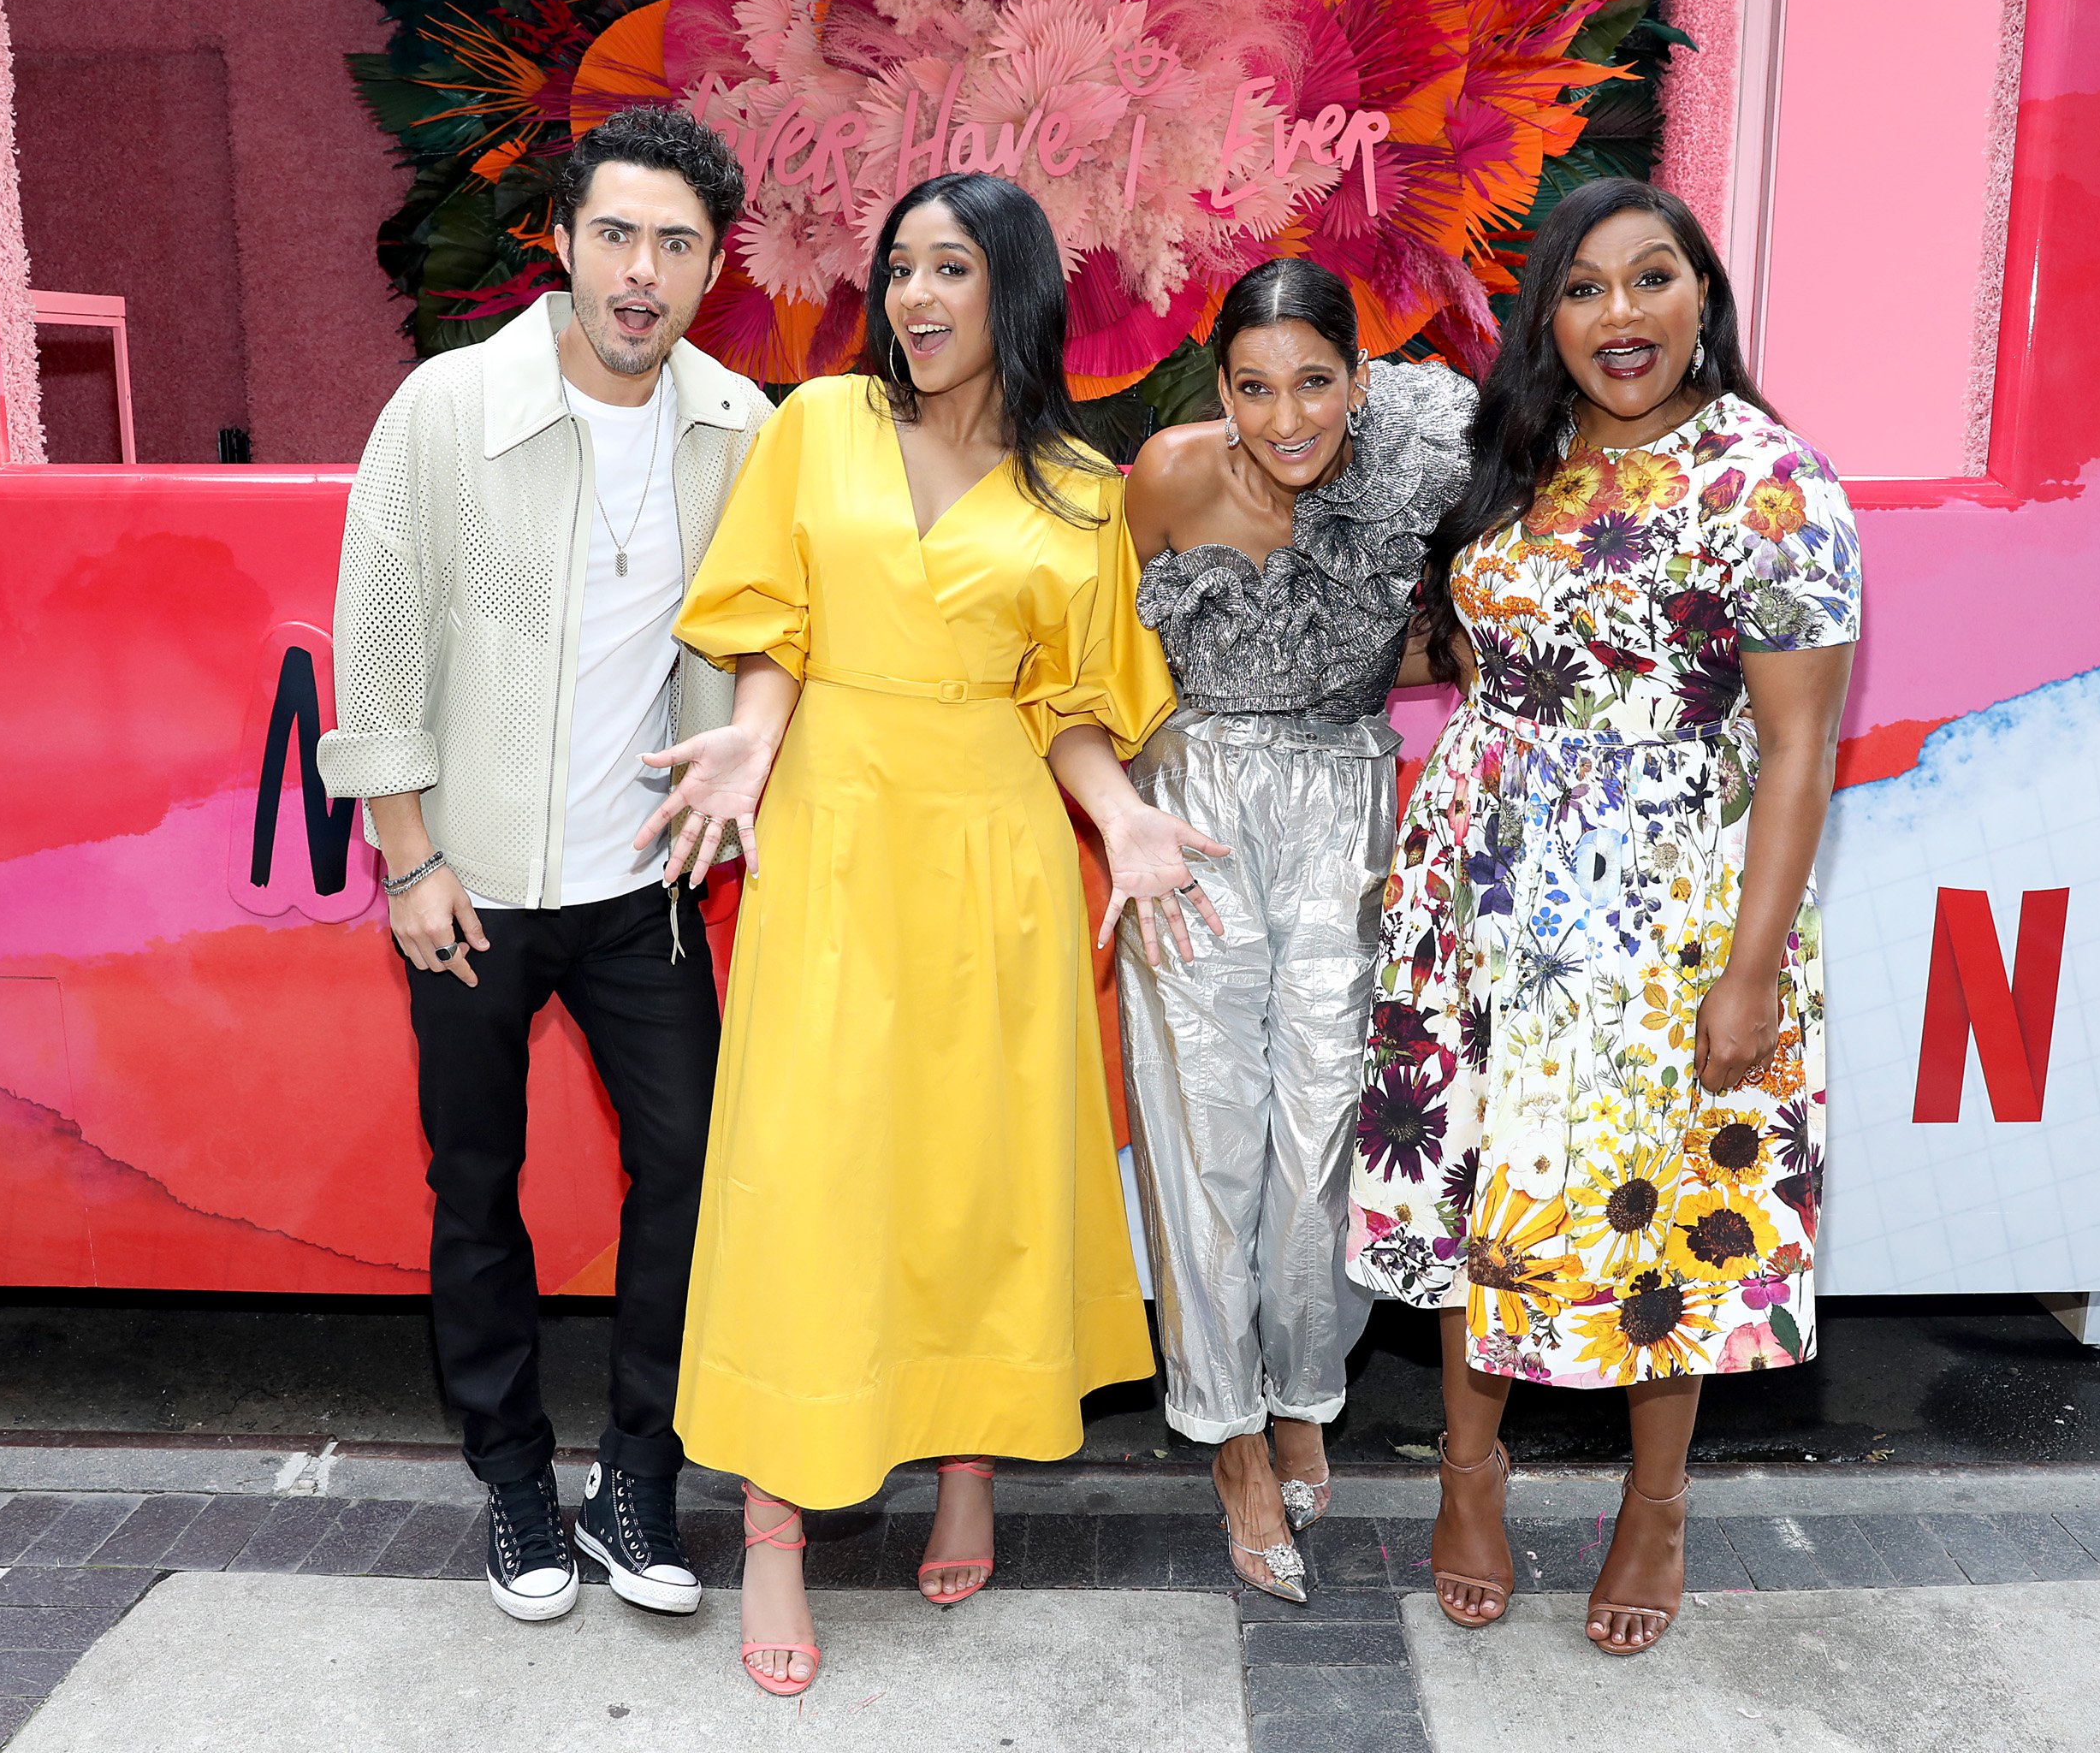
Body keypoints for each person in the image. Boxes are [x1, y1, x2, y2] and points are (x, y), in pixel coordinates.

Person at [636, 171, 1224, 1697]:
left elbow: (1070, 711)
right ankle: (775, 1528)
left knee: (972, 1166)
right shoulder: (816, 427)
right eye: (900, 268)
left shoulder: (1080, 495)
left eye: (950, 267)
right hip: (835, 835)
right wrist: (753, 745)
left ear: (1012, 289)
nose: (914, 296)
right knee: (812, 1177)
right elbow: (777, 631)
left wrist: (1126, 819)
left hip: (995, 859)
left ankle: (969, 1462)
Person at [1346, 178, 1859, 1654]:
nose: (1618, 315)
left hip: (1666, 910)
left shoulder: (1769, 482)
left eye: (1651, 281)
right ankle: (1467, 1473)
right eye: (1583, 288)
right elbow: (1460, 635)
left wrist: (1751, 972)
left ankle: (1655, 1509)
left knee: (1661, 1207)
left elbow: (1798, 752)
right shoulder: (1520, 450)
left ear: (1705, 296)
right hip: (1481, 892)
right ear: (1546, 317)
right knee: (1472, 1186)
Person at [318, 106, 768, 1624]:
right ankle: (512, 1483)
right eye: (619, 236)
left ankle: (636, 1478)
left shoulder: (737, 427)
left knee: (693, 1173)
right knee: (476, 1184)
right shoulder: (447, 409)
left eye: (678, 245)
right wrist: (409, 860)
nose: (643, 273)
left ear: (714, 267)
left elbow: (767, 635)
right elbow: (374, 644)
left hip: (642, 892)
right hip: (474, 888)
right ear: (564, 245)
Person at [1118, 258, 1474, 1602]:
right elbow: (1111, 660)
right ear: (1221, 387)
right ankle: (1230, 1441)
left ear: (1360, 379)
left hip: (1347, 802)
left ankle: (1306, 1386)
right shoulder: (1163, 476)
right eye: (1255, 386)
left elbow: (1467, 609)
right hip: (1198, 803)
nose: (1286, 417)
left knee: (1327, 1128)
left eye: (1315, 381)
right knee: (1204, 1127)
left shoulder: (1417, 458)